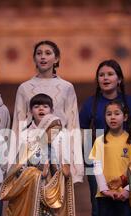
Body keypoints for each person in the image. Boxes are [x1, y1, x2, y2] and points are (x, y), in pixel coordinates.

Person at [0, 94, 76, 216]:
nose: (41, 109)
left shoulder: (60, 135)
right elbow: (19, 166)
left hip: (50, 190)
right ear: (30, 111)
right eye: (37, 106)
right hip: (31, 191)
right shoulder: (26, 135)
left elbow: (64, 168)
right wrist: (36, 172)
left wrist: (55, 169)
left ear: (52, 111)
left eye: (45, 106)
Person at [79, 59, 131, 216]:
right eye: (101, 75)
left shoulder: (129, 101)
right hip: (96, 160)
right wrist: (89, 161)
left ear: (119, 79)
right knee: (98, 206)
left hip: (122, 158)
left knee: (121, 205)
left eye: (110, 74)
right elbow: (83, 132)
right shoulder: (90, 103)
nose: (105, 78)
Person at [10, 40, 83, 184]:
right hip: (32, 151)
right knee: (34, 201)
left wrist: (76, 166)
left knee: (59, 202)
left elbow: (73, 125)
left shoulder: (66, 87)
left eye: (48, 53)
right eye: (39, 53)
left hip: (60, 149)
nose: (43, 57)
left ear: (56, 59)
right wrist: (14, 164)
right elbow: (18, 126)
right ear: (34, 59)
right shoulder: (24, 88)